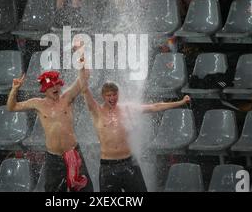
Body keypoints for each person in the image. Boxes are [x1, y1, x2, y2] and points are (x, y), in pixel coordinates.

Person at [79, 63, 191, 192]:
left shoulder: (127, 108)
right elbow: (84, 89)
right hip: (108, 166)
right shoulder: (97, 112)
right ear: (103, 96)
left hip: (129, 163)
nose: (112, 98)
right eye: (109, 95)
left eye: (114, 94)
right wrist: (82, 65)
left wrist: (180, 102)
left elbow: (154, 107)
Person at [6, 70, 93, 192]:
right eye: (51, 86)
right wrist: (15, 89)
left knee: (85, 190)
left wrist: (81, 55)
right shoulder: (37, 103)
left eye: (56, 84)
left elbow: (84, 77)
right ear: (45, 90)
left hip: (73, 153)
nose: (55, 87)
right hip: (54, 157)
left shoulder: (67, 97)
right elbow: (11, 107)